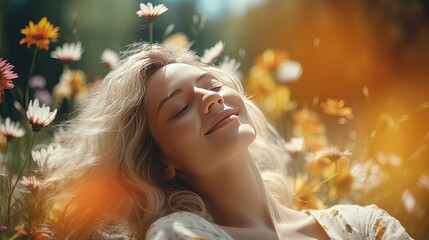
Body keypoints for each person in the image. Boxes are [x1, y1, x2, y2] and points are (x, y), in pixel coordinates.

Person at [40, 43, 412, 240]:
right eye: (180, 107)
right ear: (159, 163)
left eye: (213, 84)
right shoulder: (178, 235)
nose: (211, 98)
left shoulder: (363, 224)